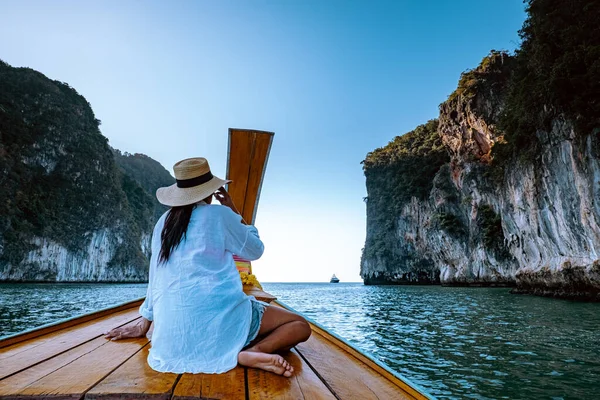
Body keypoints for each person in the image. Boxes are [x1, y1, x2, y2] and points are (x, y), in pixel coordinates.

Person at [104, 157, 311, 377]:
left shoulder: (163, 223)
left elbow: (155, 277)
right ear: (210, 190)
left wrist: (144, 323)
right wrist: (233, 211)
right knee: (299, 324)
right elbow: (255, 250)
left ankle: (241, 345)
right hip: (222, 319)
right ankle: (253, 352)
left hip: (170, 341)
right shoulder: (220, 215)